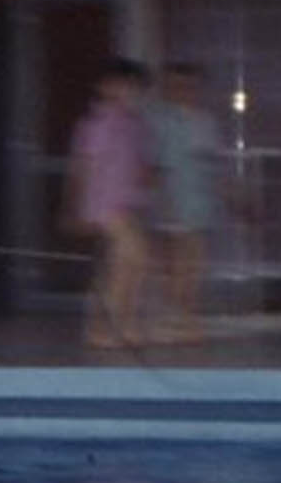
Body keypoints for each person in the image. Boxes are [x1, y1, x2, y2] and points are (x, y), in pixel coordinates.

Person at [63, 59, 151, 352]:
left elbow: (134, 165)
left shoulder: (132, 123)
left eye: (134, 87)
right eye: (121, 84)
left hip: (124, 204)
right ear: (104, 86)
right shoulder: (98, 123)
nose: (128, 91)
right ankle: (114, 325)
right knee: (135, 258)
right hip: (103, 205)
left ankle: (105, 327)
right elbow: (83, 166)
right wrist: (74, 208)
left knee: (117, 267)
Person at [146, 62, 221, 345]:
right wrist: (162, 201)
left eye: (189, 86)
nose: (183, 91)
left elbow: (211, 162)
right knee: (175, 263)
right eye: (176, 85)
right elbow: (155, 165)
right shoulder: (160, 121)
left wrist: (228, 194)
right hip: (172, 199)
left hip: (200, 200)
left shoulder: (205, 122)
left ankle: (187, 315)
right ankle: (174, 317)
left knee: (194, 262)